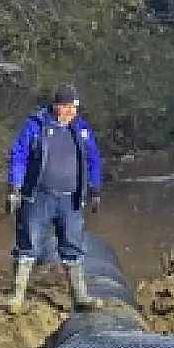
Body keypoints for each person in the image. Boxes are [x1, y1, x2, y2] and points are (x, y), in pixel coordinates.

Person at [7, 84, 103, 313]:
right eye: (68, 108)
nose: (72, 112)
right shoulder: (36, 125)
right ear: (56, 106)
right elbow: (18, 155)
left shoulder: (81, 129)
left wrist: (95, 188)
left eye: (75, 108)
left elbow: (93, 159)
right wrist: (15, 187)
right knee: (28, 244)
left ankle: (80, 297)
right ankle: (18, 297)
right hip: (38, 196)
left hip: (70, 199)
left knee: (73, 245)